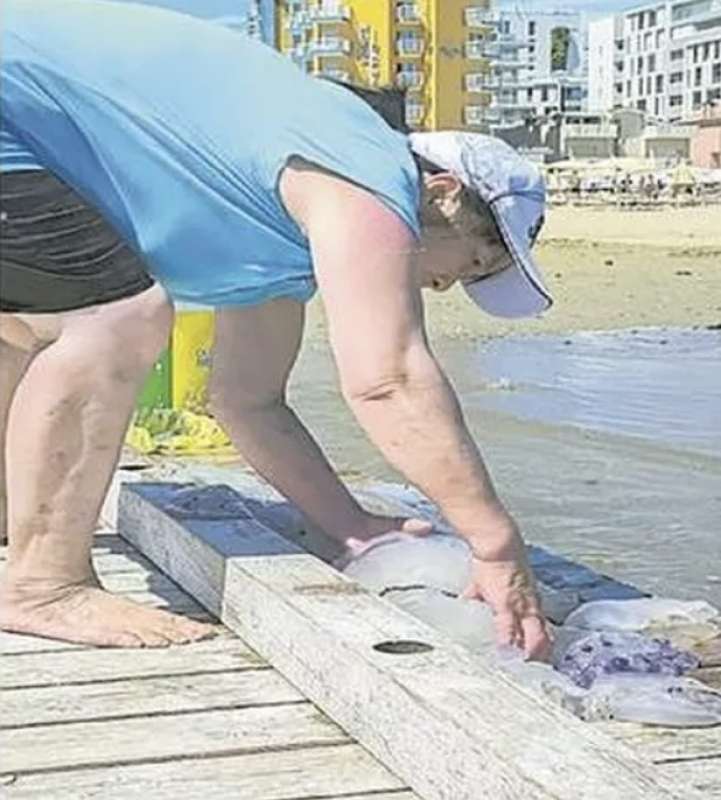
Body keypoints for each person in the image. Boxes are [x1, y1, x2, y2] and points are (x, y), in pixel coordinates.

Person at [1, 0, 553, 657]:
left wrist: (350, 529)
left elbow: (247, 400)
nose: (450, 284)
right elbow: (387, 381)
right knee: (114, 316)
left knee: (23, 328)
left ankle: (17, 530)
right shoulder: (362, 171)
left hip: (27, 134)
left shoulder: (274, 235)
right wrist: (494, 543)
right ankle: (42, 585)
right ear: (440, 193)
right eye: (476, 261)